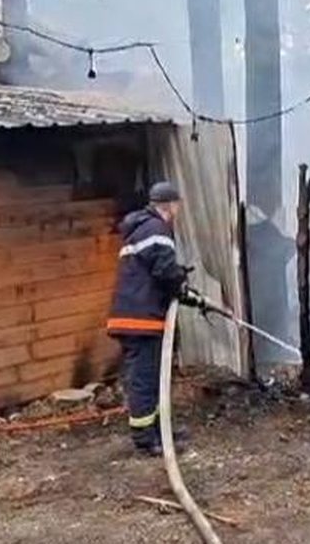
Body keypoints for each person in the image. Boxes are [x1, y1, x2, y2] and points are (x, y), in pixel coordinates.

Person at [107, 181, 192, 456]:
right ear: (170, 205)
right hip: (140, 320)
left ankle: (159, 431)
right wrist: (180, 279)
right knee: (144, 380)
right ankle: (145, 439)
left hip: (136, 317)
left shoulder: (140, 230)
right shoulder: (157, 229)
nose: (178, 211)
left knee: (154, 378)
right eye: (177, 205)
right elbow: (165, 271)